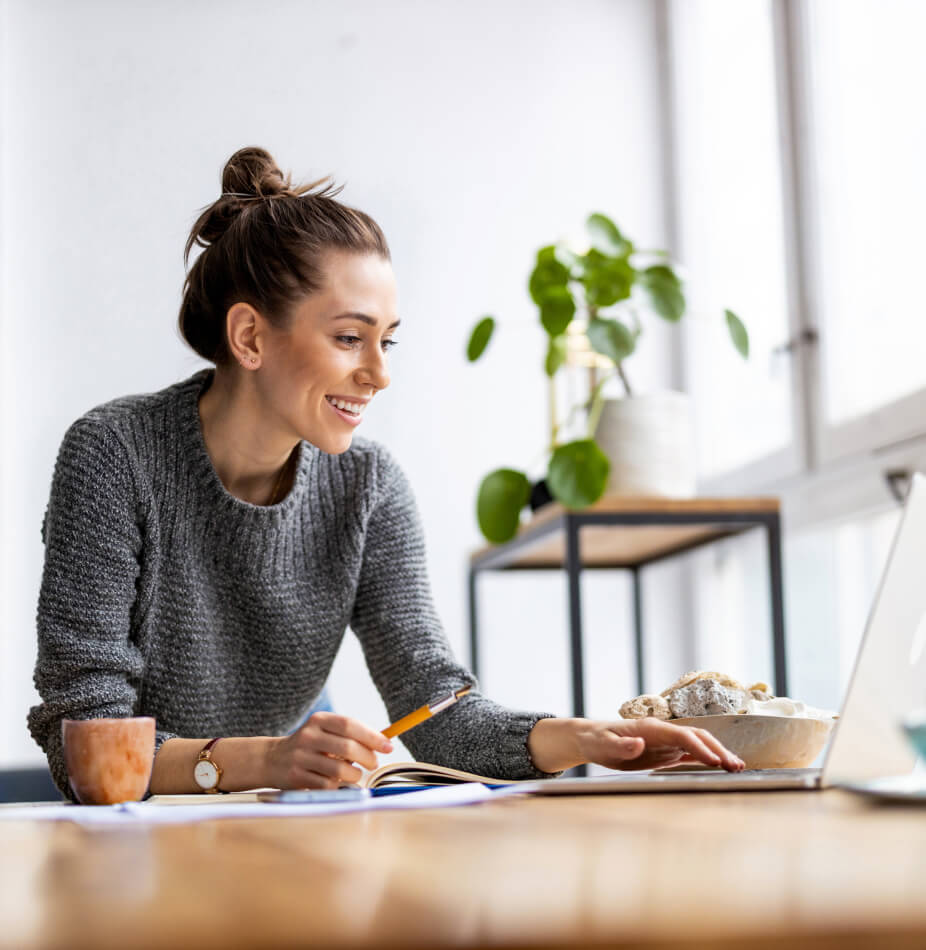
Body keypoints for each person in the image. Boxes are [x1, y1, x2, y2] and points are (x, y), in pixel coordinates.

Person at [27, 147, 744, 799]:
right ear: (250, 336)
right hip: (131, 847)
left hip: (285, 822)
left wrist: (581, 739)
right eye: (349, 338)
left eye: (387, 342)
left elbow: (434, 709)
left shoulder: (368, 486)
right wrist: (268, 760)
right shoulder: (113, 455)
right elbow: (85, 745)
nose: (379, 374)